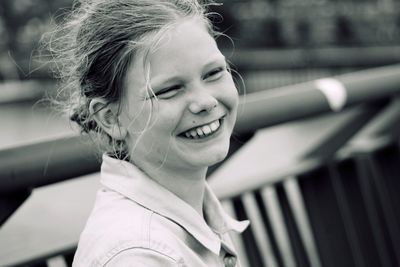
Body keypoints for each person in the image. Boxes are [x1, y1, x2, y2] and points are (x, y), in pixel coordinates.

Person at [49, 0, 249, 266]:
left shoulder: (190, 211)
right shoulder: (137, 255)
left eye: (213, 73)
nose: (206, 101)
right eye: (168, 90)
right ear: (111, 118)